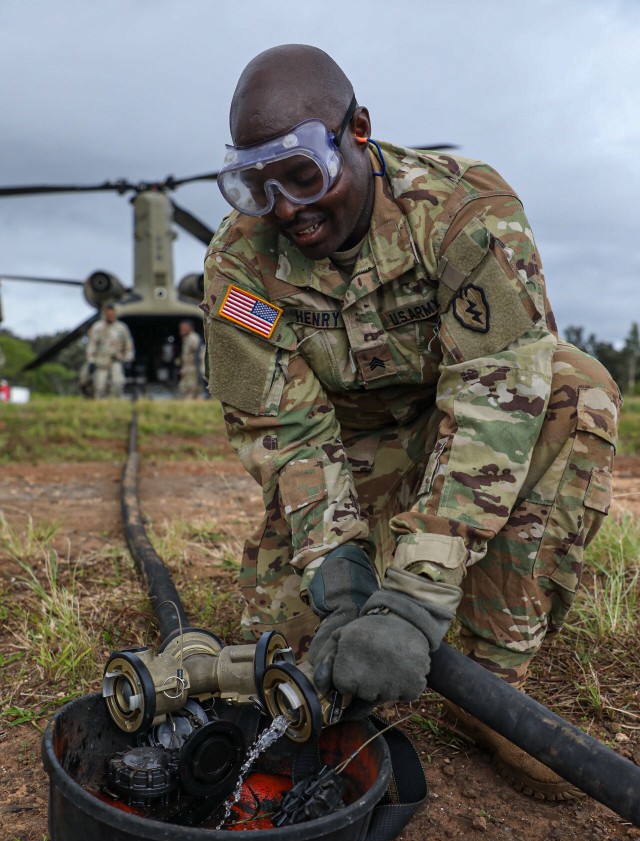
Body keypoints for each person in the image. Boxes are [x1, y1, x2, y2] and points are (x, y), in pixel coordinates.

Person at [201, 44, 621, 800]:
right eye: (257, 189)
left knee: (577, 390)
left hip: (464, 429)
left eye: (302, 176)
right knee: (280, 664)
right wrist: (338, 571)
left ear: (357, 129)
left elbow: (497, 395)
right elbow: (282, 427)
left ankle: (494, 685)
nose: (286, 211)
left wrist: (418, 593)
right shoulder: (238, 263)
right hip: (351, 452)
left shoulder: (467, 210)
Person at [86, 305, 135, 398]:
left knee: (118, 383)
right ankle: (100, 407)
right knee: (100, 386)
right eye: (108, 314)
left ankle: (115, 404)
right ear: (105, 314)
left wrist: (128, 358)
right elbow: (92, 345)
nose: (110, 316)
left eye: (112, 314)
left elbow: (128, 344)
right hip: (101, 361)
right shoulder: (98, 327)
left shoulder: (121, 328)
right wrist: (91, 361)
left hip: (116, 359)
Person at [177, 320, 205, 399]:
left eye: (184, 328)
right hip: (188, 369)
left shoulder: (193, 338)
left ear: (190, 328)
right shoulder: (187, 338)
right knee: (185, 389)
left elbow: (200, 353)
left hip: (193, 369)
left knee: (191, 391)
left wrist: (200, 369)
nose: (181, 330)